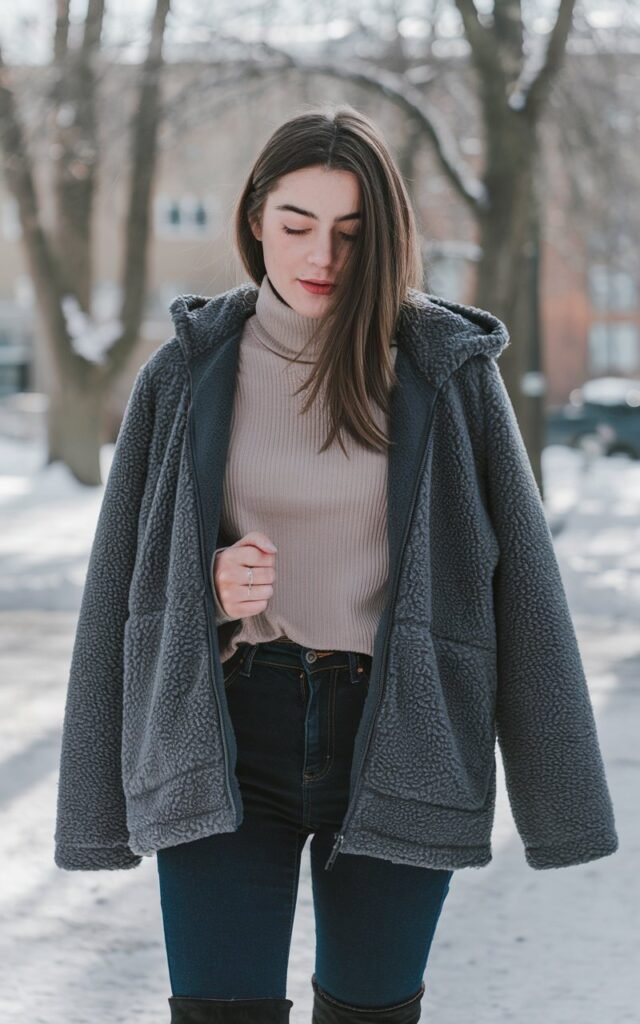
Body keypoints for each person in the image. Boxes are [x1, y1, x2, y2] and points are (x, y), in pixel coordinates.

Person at [54, 105, 619, 1024]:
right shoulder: (187, 371)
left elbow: (526, 591)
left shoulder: (446, 369)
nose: (321, 256)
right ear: (253, 220)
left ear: (387, 239)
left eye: (352, 234)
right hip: (226, 733)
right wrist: (207, 588)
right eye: (296, 225)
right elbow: (118, 587)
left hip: (401, 736)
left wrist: (563, 804)